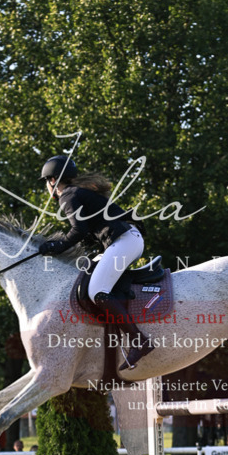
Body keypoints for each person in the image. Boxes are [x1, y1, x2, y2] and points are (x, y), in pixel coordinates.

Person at [38, 155, 152, 369]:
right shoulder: (77, 193)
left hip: (125, 240)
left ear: (52, 180)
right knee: (86, 276)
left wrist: (56, 245)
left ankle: (140, 342)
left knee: (97, 291)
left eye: (46, 181)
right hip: (125, 240)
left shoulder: (68, 195)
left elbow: (78, 231)